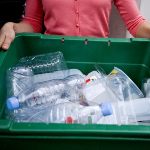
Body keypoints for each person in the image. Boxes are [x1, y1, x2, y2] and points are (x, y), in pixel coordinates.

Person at [0, 0, 150, 50]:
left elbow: (136, 24)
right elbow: (32, 24)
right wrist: (12, 27)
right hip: (53, 61)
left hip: (97, 59)